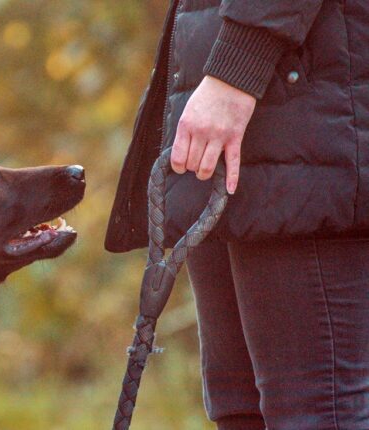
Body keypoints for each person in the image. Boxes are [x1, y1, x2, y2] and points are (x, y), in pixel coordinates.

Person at [105, 1, 369, 429]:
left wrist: (234, 71)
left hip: (293, 117)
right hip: (225, 118)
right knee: (238, 407)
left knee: (316, 409)